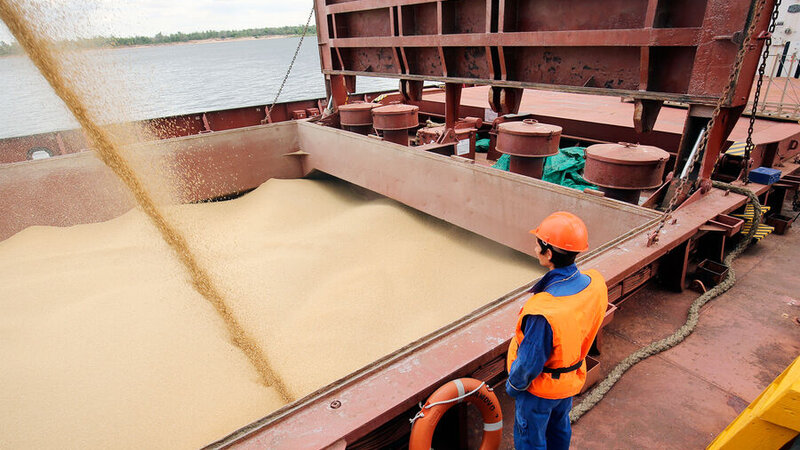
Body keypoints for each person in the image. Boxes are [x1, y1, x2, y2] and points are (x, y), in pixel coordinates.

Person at [506, 211, 608, 449]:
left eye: (537, 244)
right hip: (569, 380)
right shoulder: (595, 284)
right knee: (559, 431)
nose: (534, 249)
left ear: (548, 253)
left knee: (531, 439)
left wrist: (513, 387)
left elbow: (529, 364)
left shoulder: (544, 312)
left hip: (539, 390)